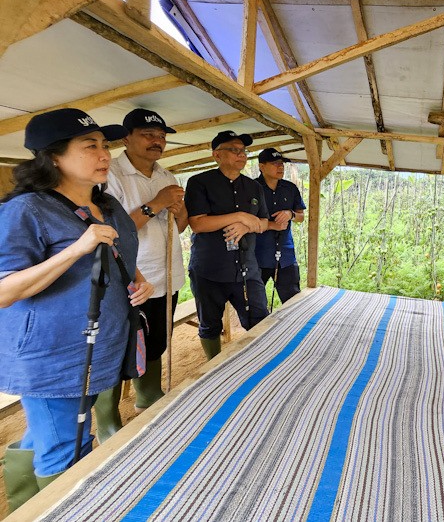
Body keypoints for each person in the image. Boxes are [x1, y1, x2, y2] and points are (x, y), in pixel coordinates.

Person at [0, 108, 153, 510]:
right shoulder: (27, 209)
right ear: (53, 157)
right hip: (53, 354)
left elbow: (116, 250)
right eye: (89, 146)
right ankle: (62, 509)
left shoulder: (110, 205)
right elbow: (4, 291)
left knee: (52, 432)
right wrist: (78, 248)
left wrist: (137, 278)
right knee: (68, 446)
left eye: (104, 145)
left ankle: (23, 504)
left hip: (99, 345)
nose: (104, 154)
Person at [104, 109, 188, 429]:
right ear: (126, 138)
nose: (157, 142)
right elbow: (112, 231)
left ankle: (147, 396)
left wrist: (177, 209)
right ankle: (108, 419)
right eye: (148, 135)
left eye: (162, 137)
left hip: (167, 274)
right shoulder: (111, 174)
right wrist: (156, 203)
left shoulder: (168, 177)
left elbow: (178, 228)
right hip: (130, 278)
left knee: (156, 342)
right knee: (121, 348)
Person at [184, 131, 270, 360]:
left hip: (247, 268)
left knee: (260, 319)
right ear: (216, 155)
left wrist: (246, 226)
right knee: (210, 324)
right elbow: (198, 224)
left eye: (243, 151)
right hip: (209, 269)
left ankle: (260, 363)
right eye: (234, 150)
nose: (241, 155)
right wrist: (240, 216)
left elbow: (263, 222)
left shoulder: (254, 187)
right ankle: (212, 366)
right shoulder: (199, 182)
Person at [255, 148, 306, 304]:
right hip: (257, 255)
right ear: (261, 167)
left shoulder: (290, 188)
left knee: (293, 303)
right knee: (254, 306)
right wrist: (270, 225)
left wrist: (290, 214)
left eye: (282, 163)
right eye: (275, 163)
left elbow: (301, 217)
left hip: (285, 254)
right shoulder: (251, 188)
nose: (280, 167)